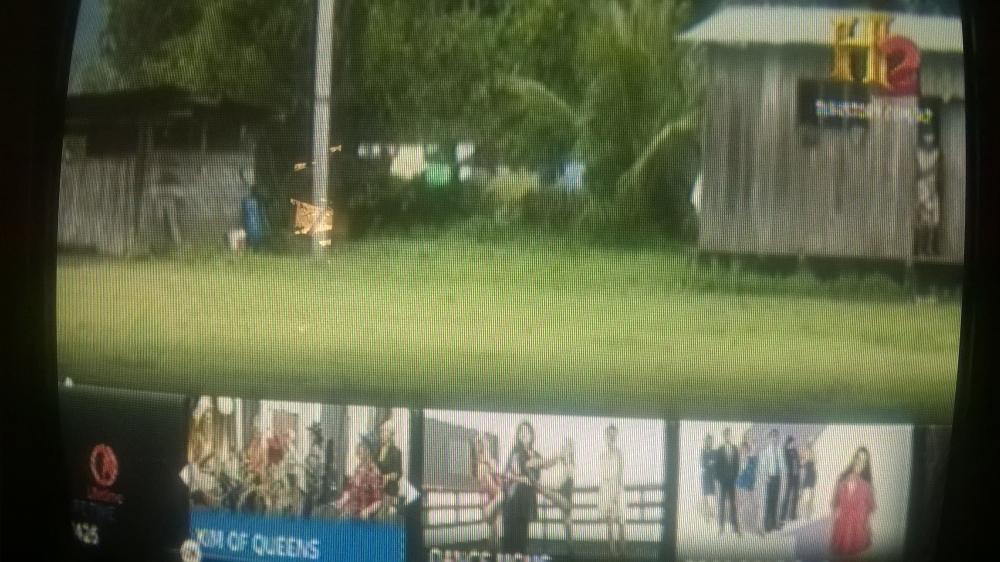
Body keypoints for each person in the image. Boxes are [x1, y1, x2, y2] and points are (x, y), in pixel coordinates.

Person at [502, 421, 544, 554]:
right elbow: (507, 474)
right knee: (510, 538)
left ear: (532, 434)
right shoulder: (515, 453)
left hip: (526, 500)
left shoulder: (537, 455)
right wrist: (520, 478)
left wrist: (531, 478)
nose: (524, 434)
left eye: (526, 431)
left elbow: (537, 478)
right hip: (513, 499)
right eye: (521, 431)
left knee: (523, 538)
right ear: (518, 435)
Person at [830, 447, 876, 558]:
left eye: (864, 461)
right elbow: (834, 504)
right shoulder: (841, 480)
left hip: (857, 536)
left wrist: (866, 527)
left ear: (866, 465)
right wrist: (833, 525)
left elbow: (871, 509)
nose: (860, 463)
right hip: (841, 534)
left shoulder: (867, 486)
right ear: (854, 458)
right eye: (858, 458)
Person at [537, 438, 576, 548]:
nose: (566, 449)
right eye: (565, 446)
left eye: (569, 447)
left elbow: (562, 480)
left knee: (567, 518)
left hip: (565, 500)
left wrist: (552, 487)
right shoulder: (561, 462)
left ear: (571, 450)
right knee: (567, 520)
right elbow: (548, 466)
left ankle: (570, 545)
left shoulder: (570, 465)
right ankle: (570, 545)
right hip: (560, 497)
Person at [335, 440, 383, 519]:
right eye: (359, 447)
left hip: (361, 517)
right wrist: (342, 500)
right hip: (349, 511)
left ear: (368, 451)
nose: (358, 450)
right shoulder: (359, 467)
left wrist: (367, 511)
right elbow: (350, 488)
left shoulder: (375, 472)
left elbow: (379, 501)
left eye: (362, 447)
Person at [598, 425, 626, 557]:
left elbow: (620, 473)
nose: (611, 437)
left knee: (621, 520)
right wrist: (607, 493)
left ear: (616, 436)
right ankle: (612, 551)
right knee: (609, 520)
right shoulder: (602, 454)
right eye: (609, 434)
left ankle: (623, 551)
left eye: (614, 434)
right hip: (606, 488)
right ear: (605, 436)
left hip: (617, 487)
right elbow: (603, 474)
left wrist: (616, 492)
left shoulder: (619, 453)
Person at [473, 435, 503, 548]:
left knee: (495, 529)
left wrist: (491, 467)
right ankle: (494, 548)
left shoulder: (491, 462)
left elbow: (498, 480)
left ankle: (495, 549)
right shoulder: (480, 466)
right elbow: (484, 483)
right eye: (480, 445)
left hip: (494, 498)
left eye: (485, 444)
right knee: (493, 526)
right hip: (489, 501)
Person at [915, 130, 942, 257]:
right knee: (922, 220)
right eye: (927, 135)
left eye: (931, 135)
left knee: (933, 222)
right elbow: (918, 173)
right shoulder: (918, 153)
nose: (929, 137)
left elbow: (938, 171)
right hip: (922, 188)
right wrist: (929, 171)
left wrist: (932, 176)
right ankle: (920, 250)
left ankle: (929, 248)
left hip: (932, 189)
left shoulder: (937, 153)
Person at [375, 419, 403, 520]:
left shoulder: (396, 452)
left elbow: (398, 473)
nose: (381, 434)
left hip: (389, 489)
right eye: (381, 431)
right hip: (376, 487)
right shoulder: (377, 450)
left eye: (384, 431)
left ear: (391, 434)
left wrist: (386, 477)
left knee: (379, 517)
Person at [759, 429, 786, 533]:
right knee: (768, 502)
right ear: (769, 438)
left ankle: (774, 524)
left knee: (775, 501)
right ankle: (766, 526)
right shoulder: (765, 452)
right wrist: (765, 477)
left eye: (776, 436)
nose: (774, 438)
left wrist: (784, 475)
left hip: (777, 478)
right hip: (769, 478)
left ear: (777, 438)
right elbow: (763, 466)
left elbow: (782, 465)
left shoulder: (779, 450)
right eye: (773, 436)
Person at [715, 428, 741, 536]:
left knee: (733, 504)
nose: (727, 437)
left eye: (729, 435)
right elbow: (717, 467)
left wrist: (735, 477)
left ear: (731, 436)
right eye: (726, 435)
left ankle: (735, 526)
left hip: (732, 481)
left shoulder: (735, 449)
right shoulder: (720, 449)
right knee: (722, 503)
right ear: (723, 436)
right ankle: (721, 527)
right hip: (723, 482)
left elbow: (737, 465)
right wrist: (720, 479)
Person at [735, 435, 759, 535]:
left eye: (746, 449)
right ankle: (739, 527)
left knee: (751, 506)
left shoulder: (751, 459)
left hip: (749, 486)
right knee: (741, 506)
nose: (744, 451)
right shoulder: (739, 460)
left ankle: (751, 527)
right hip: (740, 485)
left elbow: (753, 471)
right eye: (743, 449)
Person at [780, 436, 801, 526]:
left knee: (795, 496)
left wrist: (799, 465)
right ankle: (783, 516)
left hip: (796, 476)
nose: (793, 444)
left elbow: (798, 462)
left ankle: (793, 515)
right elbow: (784, 464)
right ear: (788, 442)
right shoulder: (785, 452)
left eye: (793, 442)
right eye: (792, 442)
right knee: (787, 496)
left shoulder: (795, 451)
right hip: (789, 477)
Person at [700, 433, 718, 525]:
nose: (709, 442)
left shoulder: (714, 452)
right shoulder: (703, 452)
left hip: (713, 476)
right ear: (705, 441)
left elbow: (716, 463)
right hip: (705, 476)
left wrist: (710, 463)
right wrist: (710, 463)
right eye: (708, 441)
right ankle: (706, 515)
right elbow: (702, 464)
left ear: (712, 442)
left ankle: (713, 513)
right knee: (705, 496)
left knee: (714, 495)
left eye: (710, 441)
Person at [799, 439, 817, 520]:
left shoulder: (811, 453)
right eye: (808, 444)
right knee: (803, 493)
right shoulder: (806, 452)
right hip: (808, 475)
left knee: (810, 494)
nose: (808, 445)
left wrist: (804, 459)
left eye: (809, 444)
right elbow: (801, 463)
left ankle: (808, 513)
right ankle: (803, 511)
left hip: (811, 475)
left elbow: (811, 463)